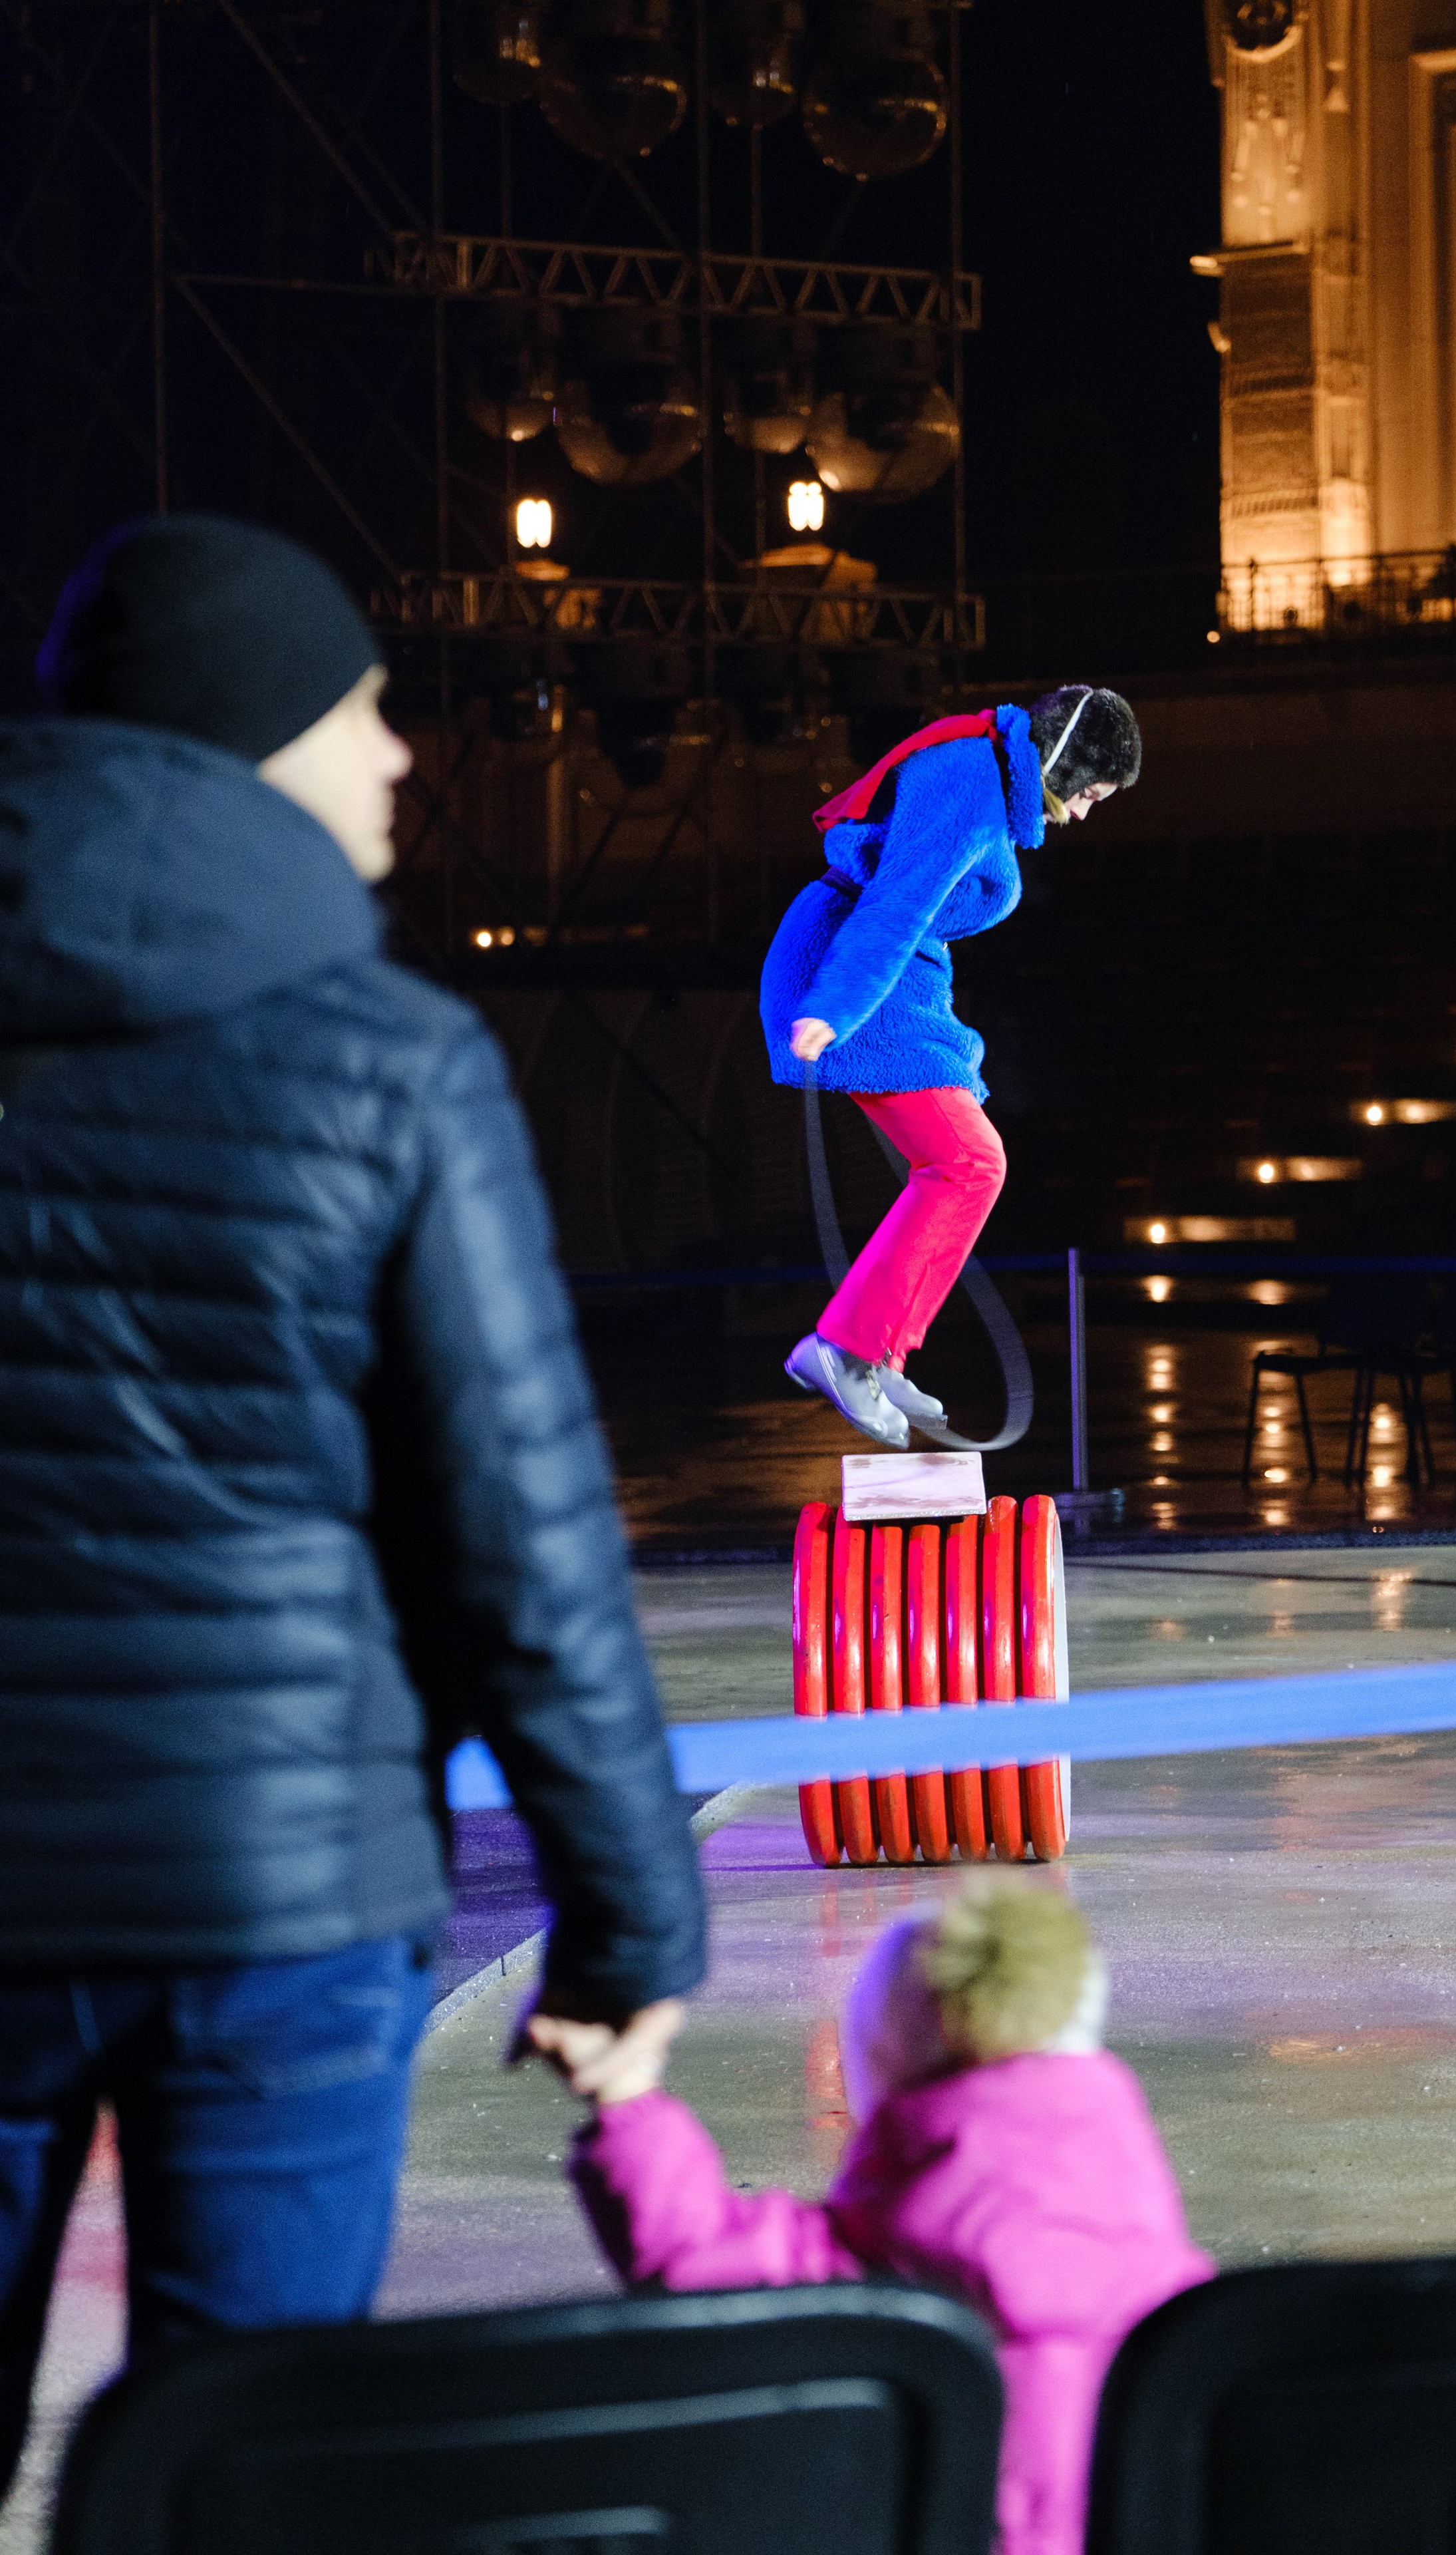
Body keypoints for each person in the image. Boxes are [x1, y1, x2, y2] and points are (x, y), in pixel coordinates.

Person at [0, 513, 704, 2494]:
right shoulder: (393, 1061)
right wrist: (626, 1924)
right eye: (363, 706)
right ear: (254, 734)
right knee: (250, 2476)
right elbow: (523, 1542)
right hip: (283, 1895)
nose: (400, 753)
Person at [562, 1873, 1212, 2555]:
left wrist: (624, 2092)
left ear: (883, 2066)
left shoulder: (872, 2255)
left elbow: (693, 2252)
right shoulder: (1162, 2268)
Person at [758, 688, 1142, 1448]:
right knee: (971, 1161)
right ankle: (845, 1349)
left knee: (961, 1161)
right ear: (1064, 762)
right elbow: (895, 906)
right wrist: (836, 1006)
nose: (1088, 812)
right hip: (852, 974)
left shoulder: (984, 774)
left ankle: (879, 1347)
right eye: (1092, 793)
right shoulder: (970, 788)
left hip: (891, 981)